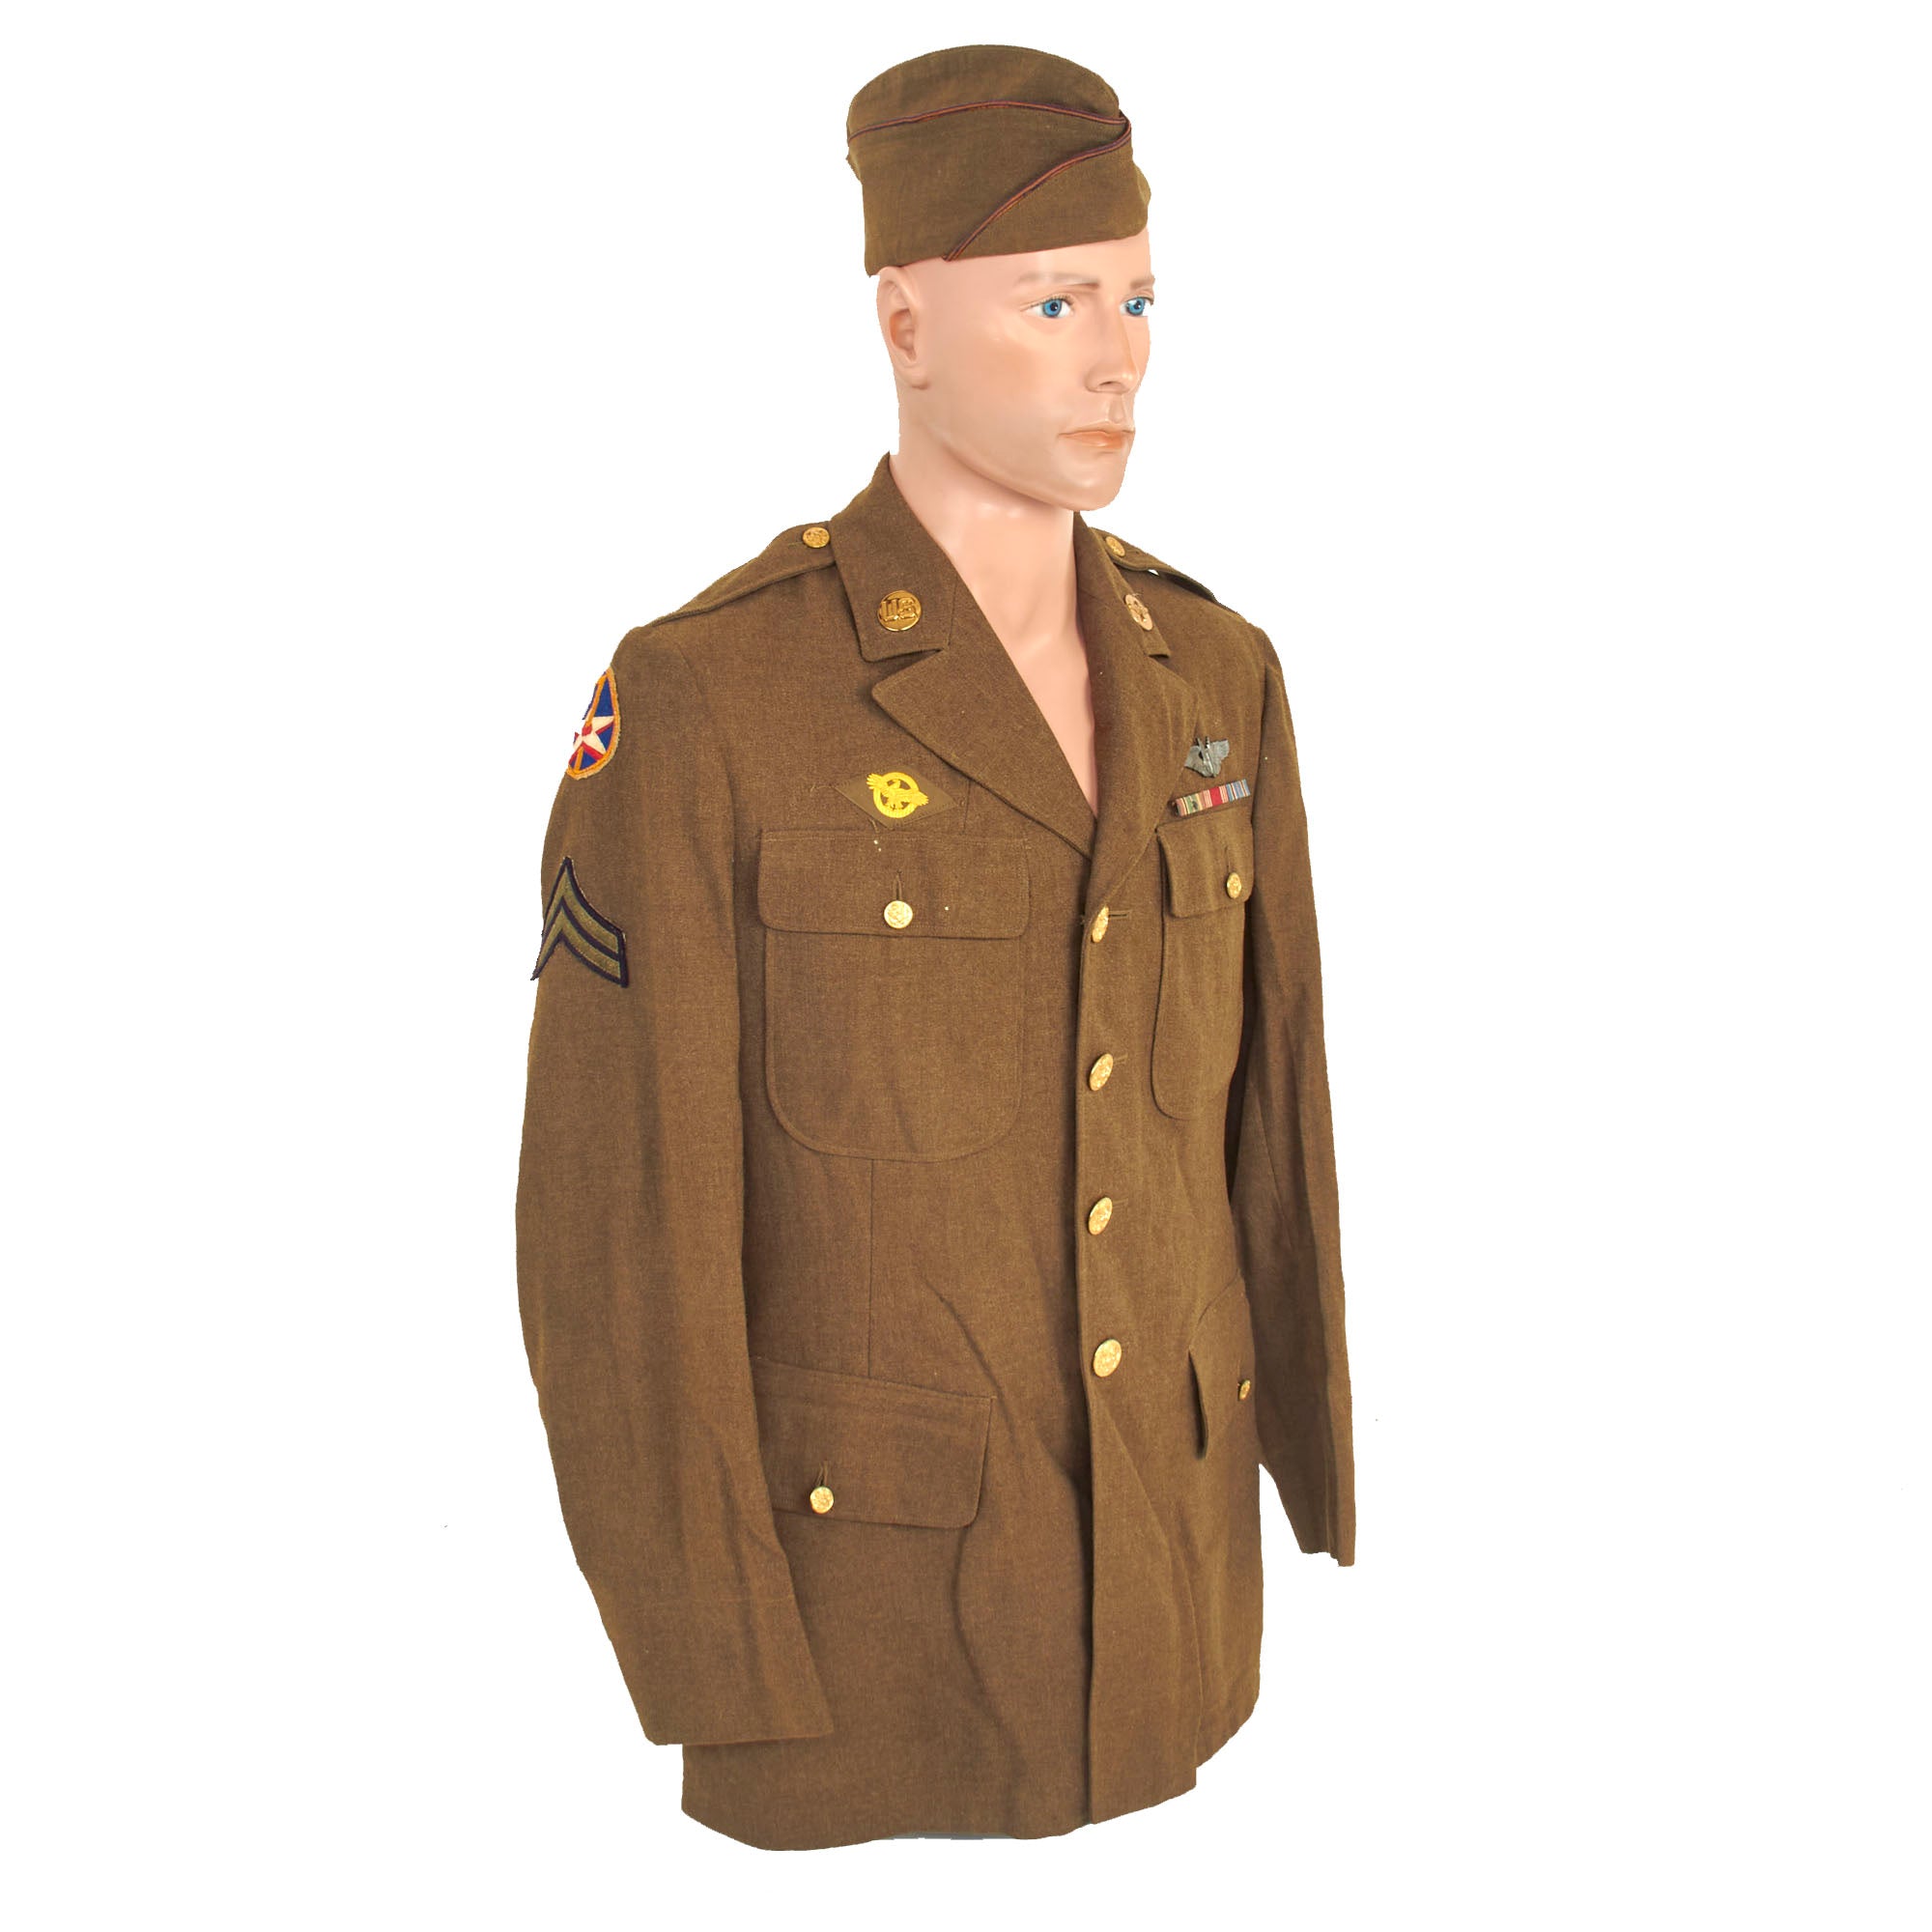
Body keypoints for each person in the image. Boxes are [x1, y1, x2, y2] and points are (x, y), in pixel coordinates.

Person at [516, 43, 1355, 1851]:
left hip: (1178, 1601)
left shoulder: (1219, 675)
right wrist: (714, 1659)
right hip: (869, 1635)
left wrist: (1301, 1458)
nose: (1118, 356)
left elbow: (1271, 1115)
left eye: (1138, 299)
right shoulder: (712, 697)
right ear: (904, 325)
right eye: (1054, 302)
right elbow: (618, 1238)